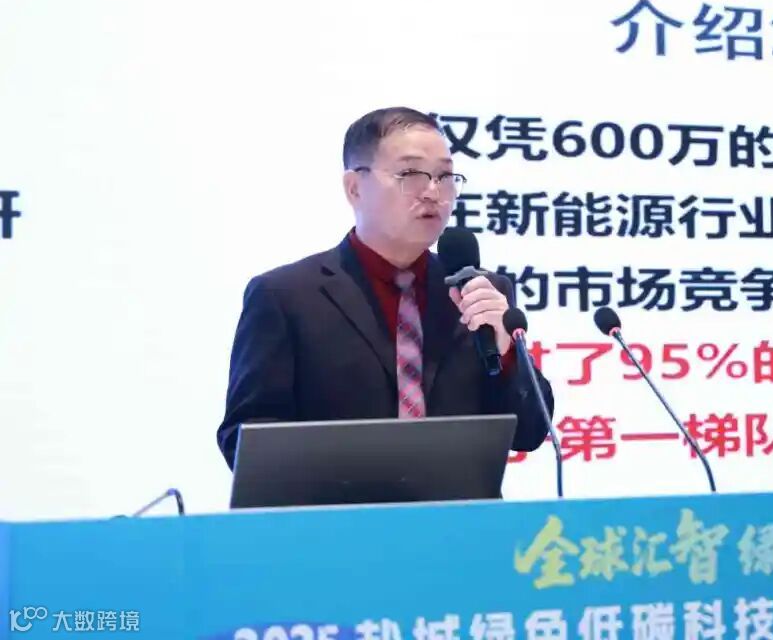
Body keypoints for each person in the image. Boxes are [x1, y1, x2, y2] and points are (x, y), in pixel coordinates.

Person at [216, 107, 555, 469]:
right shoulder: (285, 296)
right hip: (339, 504)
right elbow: (244, 437)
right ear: (354, 188)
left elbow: (531, 432)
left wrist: (507, 352)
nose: (433, 192)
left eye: (445, 175)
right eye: (410, 174)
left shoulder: (481, 292)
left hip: (462, 505)